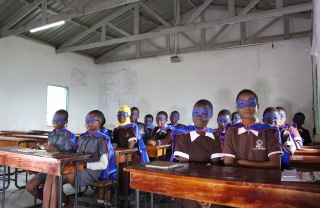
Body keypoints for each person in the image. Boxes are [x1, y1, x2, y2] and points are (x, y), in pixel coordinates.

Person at [42, 110, 112, 208]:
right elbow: (73, 154)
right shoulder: (83, 137)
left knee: (57, 177)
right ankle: (47, 206)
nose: (87, 122)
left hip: (90, 171)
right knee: (52, 174)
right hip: (77, 168)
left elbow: (104, 164)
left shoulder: (103, 139)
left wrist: (85, 165)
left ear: (98, 123)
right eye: (86, 120)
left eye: (90, 120)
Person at [173, 99, 222, 208]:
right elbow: (184, 168)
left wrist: (208, 193)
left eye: (204, 113)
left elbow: (214, 168)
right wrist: (198, 194)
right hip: (188, 183)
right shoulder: (183, 134)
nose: (199, 117)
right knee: (192, 204)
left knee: (218, 203)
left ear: (211, 115)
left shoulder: (215, 136)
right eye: (195, 113)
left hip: (210, 183)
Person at [223, 89, 283, 170]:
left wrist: (244, 162)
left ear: (257, 106)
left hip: (263, 179)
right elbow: (228, 163)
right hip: (238, 179)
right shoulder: (231, 130)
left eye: (251, 103)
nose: (247, 107)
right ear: (237, 108)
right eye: (242, 103)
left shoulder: (270, 130)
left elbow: (275, 164)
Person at [25, 109, 76, 202]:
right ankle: (48, 203)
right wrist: (39, 148)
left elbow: (71, 155)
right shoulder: (51, 134)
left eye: (59, 119)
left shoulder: (69, 135)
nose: (55, 121)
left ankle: (68, 203)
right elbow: (49, 151)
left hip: (63, 168)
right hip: (49, 166)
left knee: (52, 187)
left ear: (66, 122)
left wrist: (57, 150)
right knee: (30, 186)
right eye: (54, 118)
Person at [113, 105, 149, 196]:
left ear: (128, 115)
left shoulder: (132, 127)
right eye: (119, 114)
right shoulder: (117, 129)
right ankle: (114, 192)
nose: (121, 116)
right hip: (121, 155)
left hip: (133, 155)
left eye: (124, 114)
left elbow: (130, 147)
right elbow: (115, 144)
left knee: (123, 166)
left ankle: (124, 194)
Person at [97, 114, 117, 207]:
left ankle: (107, 202)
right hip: (100, 159)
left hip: (107, 160)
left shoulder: (103, 132)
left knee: (107, 178)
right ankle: (101, 202)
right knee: (103, 179)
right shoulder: (92, 132)